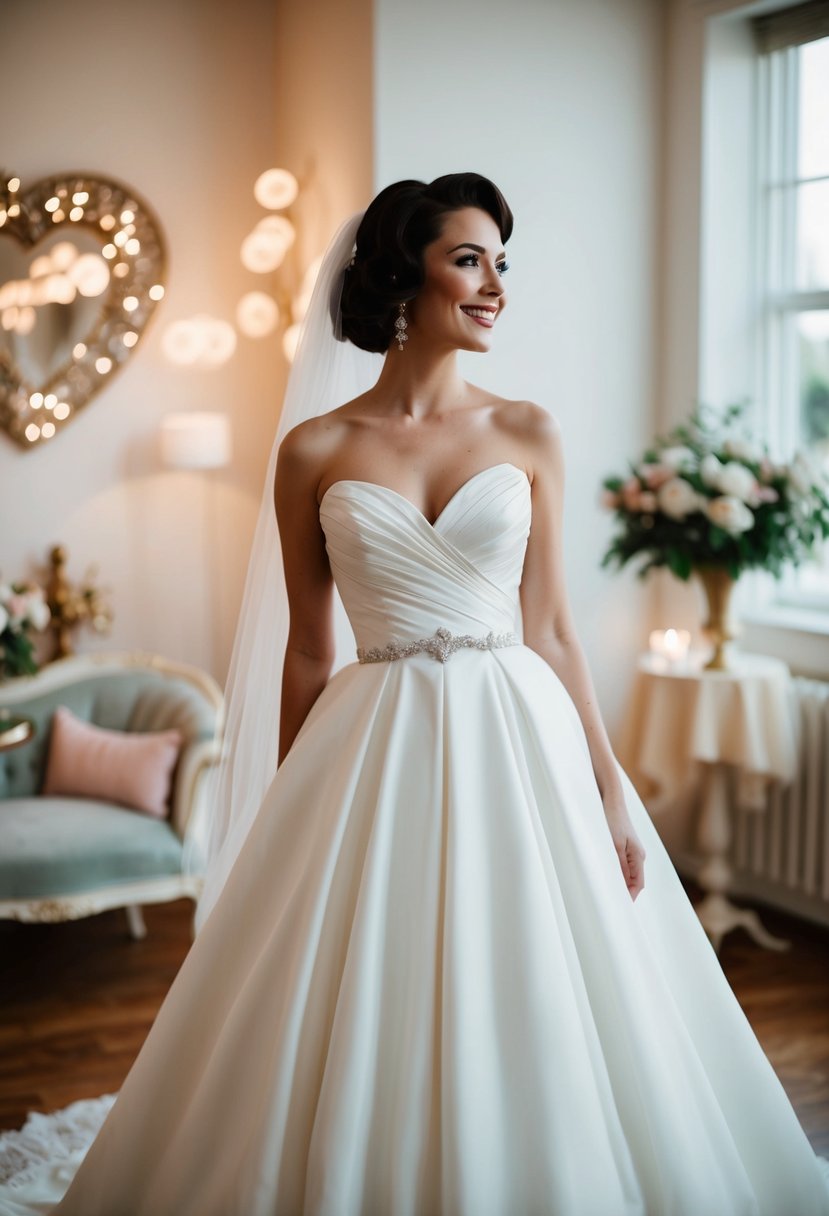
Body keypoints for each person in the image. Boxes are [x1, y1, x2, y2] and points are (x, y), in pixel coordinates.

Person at [1, 172, 828, 1216]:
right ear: (405, 272)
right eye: (469, 259)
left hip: (517, 734)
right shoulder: (312, 449)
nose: (495, 287)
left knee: (540, 973)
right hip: (374, 733)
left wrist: (609, 786)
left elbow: (556, 628)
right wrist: (282, 798)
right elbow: (308, 652)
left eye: (501, 263)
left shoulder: (529, 431)